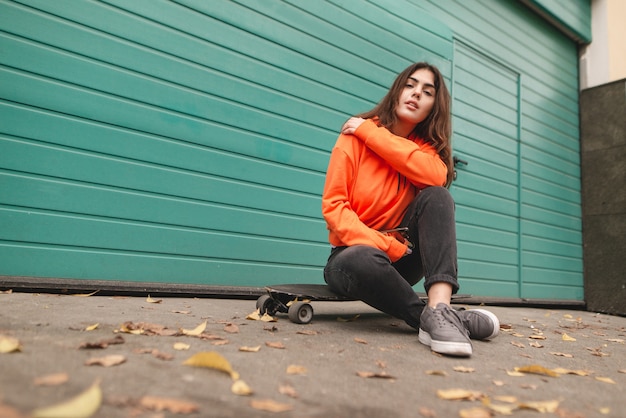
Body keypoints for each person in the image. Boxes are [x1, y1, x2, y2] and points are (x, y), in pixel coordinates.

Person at [321, 62, 499, 357]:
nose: (416, 94)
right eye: (410, 85)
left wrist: (373, 134)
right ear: (397, 90)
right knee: (361, 258)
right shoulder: (352, 138)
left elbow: (434, 178)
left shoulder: (418, 149)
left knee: (438, 197)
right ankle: (439, 318)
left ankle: (441, 306)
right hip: (351, 259)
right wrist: (387, 246)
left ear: (433, 107)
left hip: (402, 261)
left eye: (427, 92)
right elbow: (334, 209)